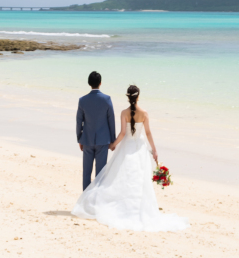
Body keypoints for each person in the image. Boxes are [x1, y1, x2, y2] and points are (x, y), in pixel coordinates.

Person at [71, 84, 188, 231]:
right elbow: (148, 133)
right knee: (139, 180)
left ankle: (117, 205)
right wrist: (154, 150)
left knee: (121, 178)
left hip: (126, 147)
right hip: (139, 148)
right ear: (138, 97)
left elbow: (122, 133)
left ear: (128, 97)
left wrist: (113, 144)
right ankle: (137, 209)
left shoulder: (124, 113)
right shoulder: (144, 113)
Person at [76, 70, 116, 190]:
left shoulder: (82, 100)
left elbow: (79, 121)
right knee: (100, 174)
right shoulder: (107, 99)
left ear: (89, 83)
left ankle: (85, 201)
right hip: (103, 141)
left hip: (87, 140)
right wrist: (112, 140)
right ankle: (97, 200)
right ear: (100, 83)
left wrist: (80, 139)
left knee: (86, 173)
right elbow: (111, 121)